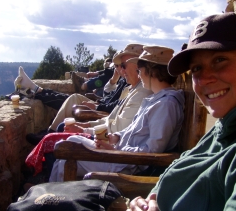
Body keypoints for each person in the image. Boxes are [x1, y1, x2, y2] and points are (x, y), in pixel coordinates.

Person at [125, 12, 236, 211]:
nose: (203, 78)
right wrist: (143, 204)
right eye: (196, 68)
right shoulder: (227, 127)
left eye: (220, 60)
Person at [49, 45, 185, 182]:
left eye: (140, 69)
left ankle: (54, 199)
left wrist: (116, 149)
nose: (138, 74)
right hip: (121, 154)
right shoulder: (155, 99)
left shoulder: (166, 105)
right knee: (72, 141)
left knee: (66, 157)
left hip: (126, 163)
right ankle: (49, 194)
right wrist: (116, 137)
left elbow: (153, 151)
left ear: (152, 71)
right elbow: (134, 130)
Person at [25, 44, 153, 178]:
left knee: (61, 143)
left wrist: (87, 126)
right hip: (108, 135)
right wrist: (86, 126)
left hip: (112, 147)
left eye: (123, 65)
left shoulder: (143, 94)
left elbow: (119, 127)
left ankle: (44, 180)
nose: (120, 69)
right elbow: (111, 107)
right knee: (65, 130)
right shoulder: (131, 88)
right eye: (118, 66)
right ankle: (46, 179)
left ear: (139, 65)